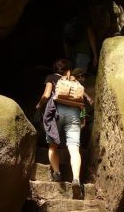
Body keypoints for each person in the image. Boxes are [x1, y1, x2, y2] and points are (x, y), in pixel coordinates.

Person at [35, 59, 92, 198]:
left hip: (56, 112)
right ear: (68, 71)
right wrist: (83, 119)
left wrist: (39, 106)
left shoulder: (51, 78)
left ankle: (56, 173)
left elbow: (46, 95)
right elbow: (82, 103)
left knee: (53, 145)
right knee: (74, 147)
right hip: (73, 114)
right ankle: (76, 179)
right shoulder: (74, 81)